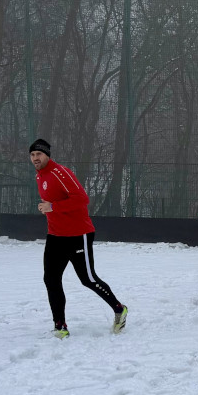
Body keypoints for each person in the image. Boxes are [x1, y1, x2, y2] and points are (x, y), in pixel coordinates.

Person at [28, 139, 128, 338]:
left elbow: (82, 199)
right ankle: (60, 326)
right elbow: (54, 202)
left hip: (77, 235)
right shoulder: (40, 176)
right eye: (32, 155)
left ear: (47, 155)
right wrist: (48, 208)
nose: (35, 158)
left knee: (88, 279)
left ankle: (119, 309)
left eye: (39, 154)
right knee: (51, 279)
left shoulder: (60, 172)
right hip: (55, 235)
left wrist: (53, 207)